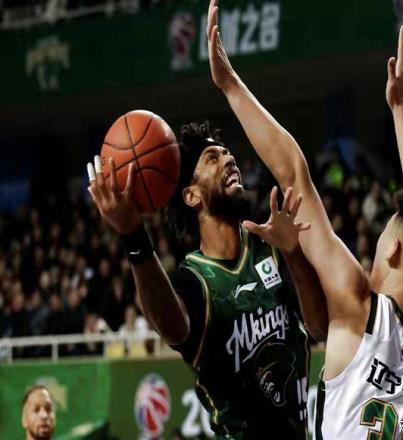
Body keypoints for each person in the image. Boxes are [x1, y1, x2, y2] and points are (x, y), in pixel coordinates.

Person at [205, 3, 403, 438]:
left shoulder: (358, 308)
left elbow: (293, 173)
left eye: (385, 229)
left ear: (395, 249)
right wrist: (400, 109)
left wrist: (230, 84)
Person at [86, 22, 327, 440]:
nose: (229, 159)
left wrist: (295, 256)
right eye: (213, 158)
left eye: (228, 153)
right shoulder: (192, 280)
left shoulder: (272, 246)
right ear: (191, 195)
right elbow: (173, 328)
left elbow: (319, 327)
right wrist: (132, 236)